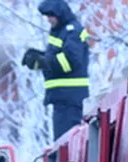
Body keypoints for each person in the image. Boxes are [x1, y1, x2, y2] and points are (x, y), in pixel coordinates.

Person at [22, 0, 90, 141]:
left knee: (66, 142)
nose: (48, 20)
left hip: (69, 97)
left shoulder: (72, 30)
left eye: (51, 16)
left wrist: (44, 62)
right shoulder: (60, 31)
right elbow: (54, 58)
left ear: (60, 14)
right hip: (62, 97)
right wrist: (39, 57)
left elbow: (71, 61)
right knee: (61, 143)